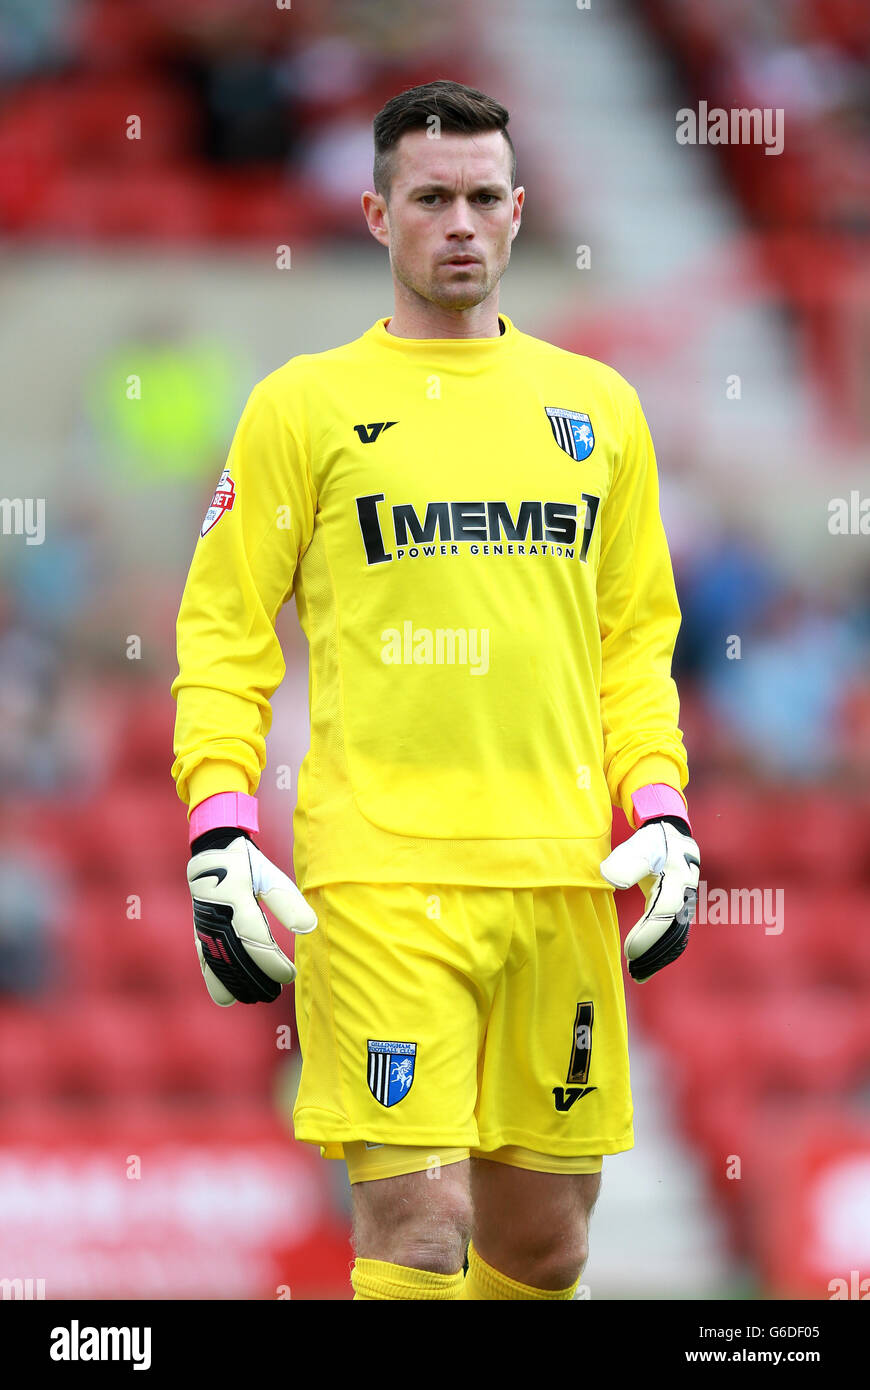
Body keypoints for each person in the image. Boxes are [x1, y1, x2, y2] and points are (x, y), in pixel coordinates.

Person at [170, 78, 700, 1302]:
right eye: (429, 198)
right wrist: (217, 827)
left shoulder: (600, 411)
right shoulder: (303, 407)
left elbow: (636, 644)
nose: (458, 221)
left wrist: (660, 806)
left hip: (560, 878)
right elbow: (224, 631)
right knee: (417, 1228)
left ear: (518, 214)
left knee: (543, 1247)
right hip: (380, 879)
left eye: (481, 198)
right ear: (374, 213)